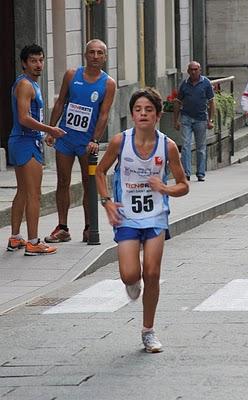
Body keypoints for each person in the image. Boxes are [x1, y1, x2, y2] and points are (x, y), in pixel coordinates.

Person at [96, 88, 189, 353]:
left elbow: (184, 185)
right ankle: (132, 280)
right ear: (133, 115)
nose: (143, 114)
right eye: (138, 110)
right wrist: (106, 201)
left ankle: (148, 331)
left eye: (149, 110)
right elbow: (100, 171)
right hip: (126, 216)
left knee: (153, 272)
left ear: (158, 115)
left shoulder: (167, 145)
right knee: (130, 275)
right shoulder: (119, 142)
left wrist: (165, 188)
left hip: (156, 216)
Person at [44, 39, 116, 244]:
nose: (95, 56)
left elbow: (103, 114)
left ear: (104, 57)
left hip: (87, 143)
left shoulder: (108, 83)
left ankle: (89, 227)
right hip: (65, 138)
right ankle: (63, 227)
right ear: (85, 55)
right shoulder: (71, 74)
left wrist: (95, 139)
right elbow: (60, 102)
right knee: (63, 182)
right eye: (91, 52)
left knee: (88, 183)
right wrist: (51, 129)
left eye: (99, 53)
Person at [7, 44, 65, 255]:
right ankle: (33, 242)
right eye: (33, 60)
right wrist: (50, 129)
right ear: (24, 63)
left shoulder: (30, 84)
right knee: (34, 195)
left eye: (40, 60)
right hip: (25, 141)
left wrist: (43, 134)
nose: (38, 64)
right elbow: (24, 118)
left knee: (22, 191)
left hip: (25, 140)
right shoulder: (25, 85)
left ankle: (15, 238)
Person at [173, 61, 215, 181]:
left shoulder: (205, 83)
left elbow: (212, 102)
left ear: (200, 70)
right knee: (186, 145)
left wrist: (210, 120)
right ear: (188, 71)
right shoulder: (184, 84)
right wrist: (176, 120)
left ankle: (200, 173)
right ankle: (186, 172)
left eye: (196, 69)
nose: (193, 72)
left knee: (201, 147)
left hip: (201, 119)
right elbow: (177, 102)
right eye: (191, 69)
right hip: (186, 117)